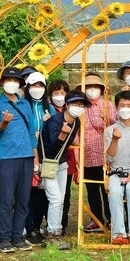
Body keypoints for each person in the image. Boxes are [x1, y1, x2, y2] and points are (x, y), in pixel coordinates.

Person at [0, 67, 39, 253]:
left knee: (24, 199)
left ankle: (18, 237)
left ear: (20, 84)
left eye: (15, 80)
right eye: (8, 80)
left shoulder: (25, 103)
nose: (12, 83)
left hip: (27, 156)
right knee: (6, 199)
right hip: (6, 157)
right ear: (2, 83)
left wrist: (36, 159)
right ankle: (3, 239)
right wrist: (5, 122)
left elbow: (32, 133)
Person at [42, 90, 87, 249]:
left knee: (61, 198)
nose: (78, 107)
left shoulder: (77, 122)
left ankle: (57, 230)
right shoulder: (55, 121)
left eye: (81, 105)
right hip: (48, 163)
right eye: (75, 104)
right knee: (55, 198)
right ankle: (52, 233)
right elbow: (53, 146)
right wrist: (62, 133)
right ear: (67, 105)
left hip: (61, 163)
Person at [104, 91, 130, 245]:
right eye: (122, 105)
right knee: (114, 192)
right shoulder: (109, 130)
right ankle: (118, 233)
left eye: (129, 105)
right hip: (116, 172)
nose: (125, 108)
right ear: (116, 107)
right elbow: (109, 158)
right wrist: (115, 139)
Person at [80, 73, 116, 232]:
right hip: (86, 154)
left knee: (106, 188)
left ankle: (111, 219)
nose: (92, 90)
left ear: (101, 89)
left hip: (104, 154)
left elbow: (116, 128)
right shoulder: (80, 106)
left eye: (95, 87)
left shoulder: (108, 106)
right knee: (91, 189)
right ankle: (96, 220)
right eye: (88, 87)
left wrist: (107, 118)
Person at [23, 72, 56, 246]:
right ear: (28, 87)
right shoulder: (23, 105)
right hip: (27, 151)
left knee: (43, 190)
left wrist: (48, 124)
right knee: (29, 190)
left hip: (45, 153)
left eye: (41, 86)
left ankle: (36, 225)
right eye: (34, 85)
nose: (38, 89)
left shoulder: (48, 108)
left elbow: (53, 132)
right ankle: (28, 227)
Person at [48, 79, 76, 235]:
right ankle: (51, 227)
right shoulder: (49, 112)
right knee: (54, 196)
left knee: (64, 194)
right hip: (49, 158)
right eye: (56, 92)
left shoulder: (73, 114)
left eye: (63, 93)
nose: (60, 96)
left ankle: (61, 225)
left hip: (66, 158)